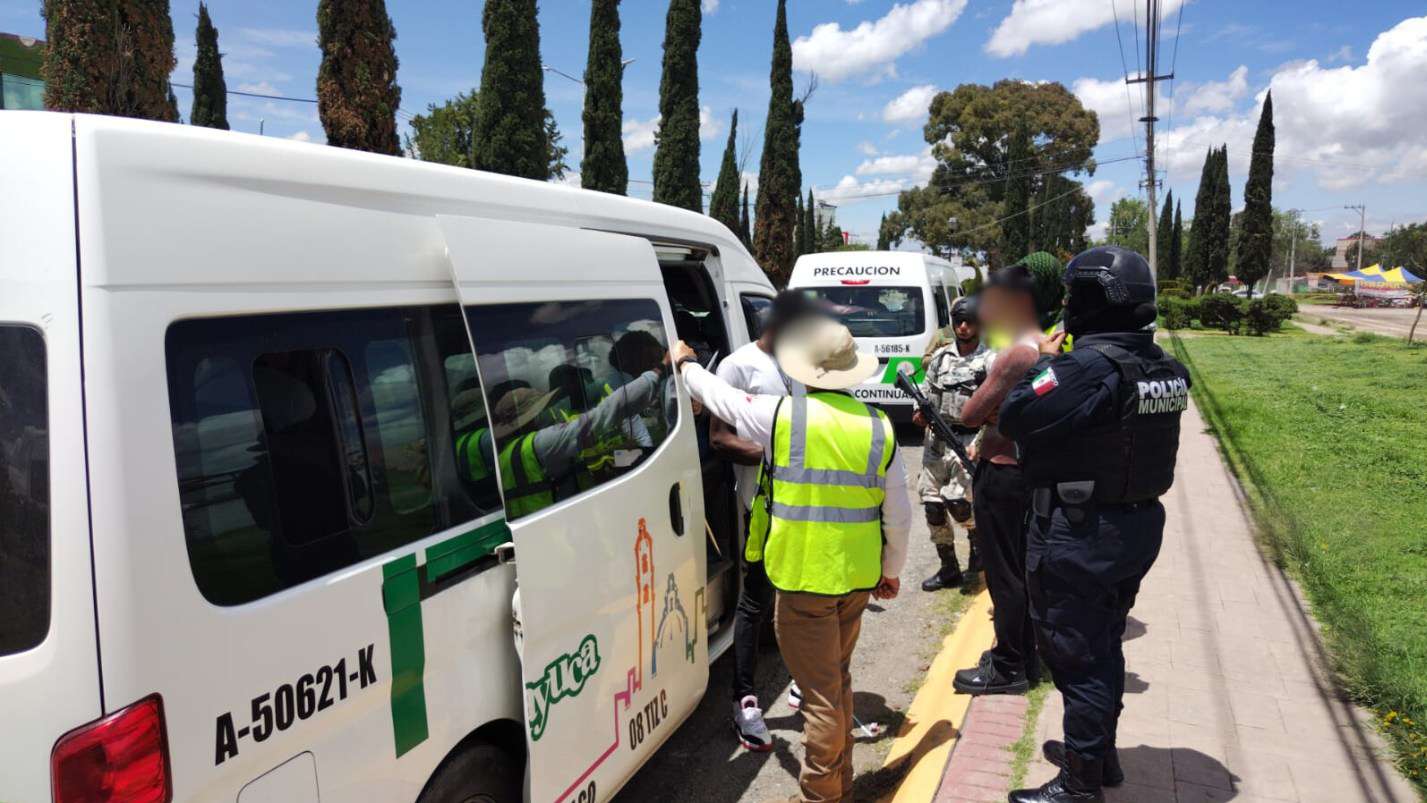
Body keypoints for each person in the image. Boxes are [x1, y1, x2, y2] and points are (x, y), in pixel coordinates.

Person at [673, 317, 910, 803]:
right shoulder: (879, 427)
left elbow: (724, 401)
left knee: (820, 695)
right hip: (858, 579)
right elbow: (899, 517)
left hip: (804, 582)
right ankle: (840, 781)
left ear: (805, 371)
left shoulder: (784, 415)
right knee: (836, 680)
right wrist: (891, 572)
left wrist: (686, 364)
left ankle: (823, 792)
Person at [1001, 247, 1189, 803]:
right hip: (1134, 527)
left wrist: (1042, 361)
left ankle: (1081, 784)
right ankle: (1098, 754)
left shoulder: (1086, 368)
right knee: (1104, 642)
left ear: (1092, 301)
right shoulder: (1162, 366)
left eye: (1073, 295)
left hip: (1080, 533)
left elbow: (1015, 413)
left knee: (1076, 652)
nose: (1066, 304)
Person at [952, 253, 1065, 696]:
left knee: (1004, 574)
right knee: (1023, 567)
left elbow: (968, 412)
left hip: (1002, 474)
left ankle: (1009, 664)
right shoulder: (1051, 344)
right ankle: (1023, 652)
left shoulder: (1018, 353)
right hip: (1032, 471)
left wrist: (990, 410)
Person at [709, 292, 814, 752]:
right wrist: (778, 455)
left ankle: (803, 682)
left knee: (803, 594)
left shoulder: (802, 366)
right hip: (762, 507)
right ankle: (744, 699)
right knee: (755, 600)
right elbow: (719, 439)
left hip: (805, 504)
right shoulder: (736, 367)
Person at [913, 294, 990, 591]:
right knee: (932, 506)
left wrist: (981, 443)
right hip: (936, 441)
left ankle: (977, 553)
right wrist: (918, 413)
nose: (963, 327)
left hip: (968, 440)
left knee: (960, 504)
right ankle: (948, 568)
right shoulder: (941, 357)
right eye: (958, 321)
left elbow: (996, 409)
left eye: (969, 321)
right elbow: (926, 388)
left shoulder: (989, 360)